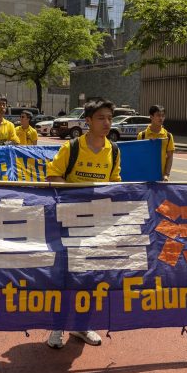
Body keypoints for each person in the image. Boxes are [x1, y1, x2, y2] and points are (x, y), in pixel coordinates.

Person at [45, 98, 121, 350]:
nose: (107, 123)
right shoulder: (73, 148)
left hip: (96, 226)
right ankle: (56, 328)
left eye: (110, 118)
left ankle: (81, 325)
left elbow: (114, 183)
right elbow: (53, 176)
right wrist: (76, 195)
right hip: (68, 223)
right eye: (101, 118)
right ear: (87, 121)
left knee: (89, 278)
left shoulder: (115, 151)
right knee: (64, 278)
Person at [137, 105, 175, 181]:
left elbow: (170, 157)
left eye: (163, 116)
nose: (161, 118)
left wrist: (166, 174)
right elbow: (138, 157)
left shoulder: (168, 136)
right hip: (144, 177)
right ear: (151, 117)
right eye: (158, 115)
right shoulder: (142, 135)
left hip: (161, 178)